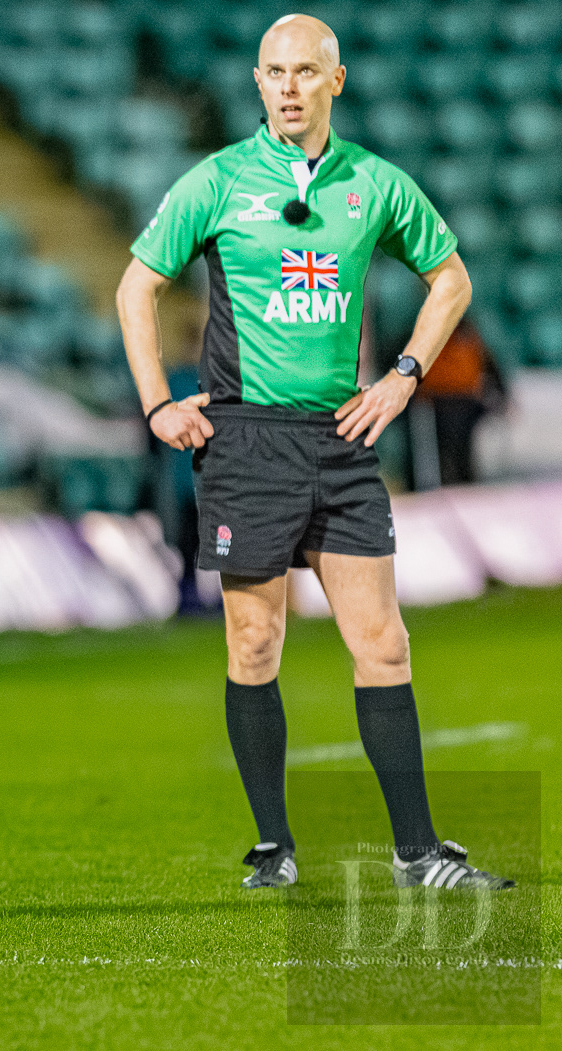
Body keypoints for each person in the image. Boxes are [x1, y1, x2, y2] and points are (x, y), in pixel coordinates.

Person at [115, 15, 511, 892]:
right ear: (257, 83)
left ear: (337, 80)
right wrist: (156, 404)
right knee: (255, 642)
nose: (288, 87)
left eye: (304, 71)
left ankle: (417, 853)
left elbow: (451, 279)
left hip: (341, 439)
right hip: (245, 441)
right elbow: (137, 286)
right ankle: (273, 846)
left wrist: (405, 375)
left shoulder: (374, 182)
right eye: (274, 72)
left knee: (385, 644)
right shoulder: (219, 180)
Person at [413, 316, 506, 486]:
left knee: (460, 446)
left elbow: (488, 363)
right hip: (441, 399)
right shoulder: (434, 334)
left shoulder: (467, 334)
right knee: (448, 447)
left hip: (464, 398)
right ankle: (454, 481)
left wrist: (501, 395)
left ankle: (462, 481)